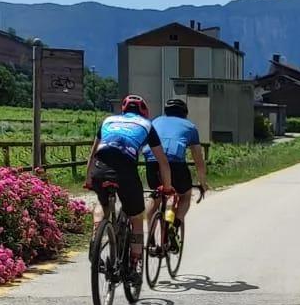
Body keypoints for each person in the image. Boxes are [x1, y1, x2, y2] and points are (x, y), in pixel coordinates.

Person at [85, 94, 172, 278]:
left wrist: (88, 180)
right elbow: (162, 161)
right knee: (136, 217)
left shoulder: (108, 121)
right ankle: (135, 263)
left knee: (102, 205)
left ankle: (95, 242)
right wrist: (167, 187)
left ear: (122, 110)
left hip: (101, 167)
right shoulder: (147, 125)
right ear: (144, 112)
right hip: (125, 170)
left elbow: (93, 154)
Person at [147, 97, 209, 236]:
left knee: (156, 195)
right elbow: (198, 159)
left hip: (152, 161)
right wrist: (202, 182)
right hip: (175, 164)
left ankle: (150, 235)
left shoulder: (155, 122)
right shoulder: (190, 126)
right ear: (185, 113)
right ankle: (175, 224)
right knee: (185, 195)